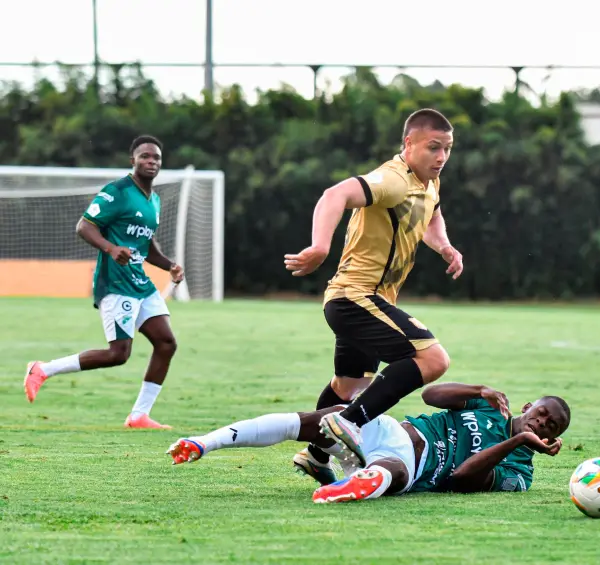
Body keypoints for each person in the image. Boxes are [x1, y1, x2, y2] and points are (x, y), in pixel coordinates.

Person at [283, 109, 465, 484]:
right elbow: (335, 194)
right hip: (356, 298)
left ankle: (316, 455)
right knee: (433, 359)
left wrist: (444, 245)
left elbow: (432, 214)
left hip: (361, 301)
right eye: (434, 147)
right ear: (408, 143)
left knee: (348, 387)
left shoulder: (429, 182)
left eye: (447, 148)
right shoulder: (393, 179)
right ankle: (348, 423)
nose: (442, 157)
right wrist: (320, 246)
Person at [166, 382, 570, 504]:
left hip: (414, 467)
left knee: (390, 472)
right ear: (529, 405)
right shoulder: (491, 406)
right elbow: (430, 396)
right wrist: (479, 389)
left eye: (550, 426)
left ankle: (350, 480)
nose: (541, 423)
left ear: (551, 439)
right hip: (391, 430)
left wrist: (518, 441)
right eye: (541, 413)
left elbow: (462, 480)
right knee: (310, 420)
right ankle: (204, 443)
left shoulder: (520, 473)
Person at [24, 135, 184, 429]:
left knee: (166, 343)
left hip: (140, 282)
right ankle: (43, 369)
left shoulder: (154, 200)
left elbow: (146, 245)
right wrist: (111, 248)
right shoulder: (117, 191)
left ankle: (139, 416)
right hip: (115, 282)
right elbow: (84, 226)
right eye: (145, 156)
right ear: (133, 160)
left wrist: (170, 266)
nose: (151, 161)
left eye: (156, 158)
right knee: (118, 354)